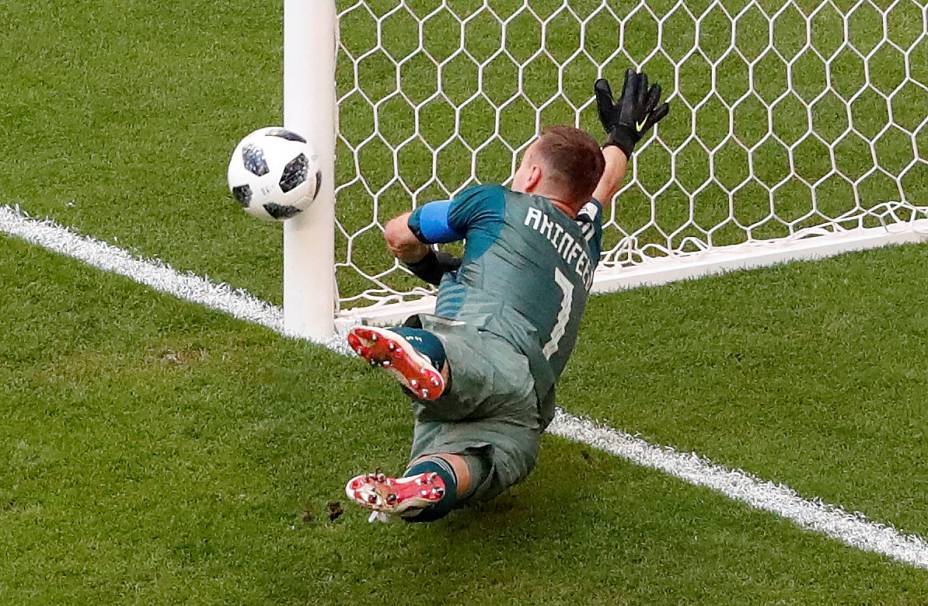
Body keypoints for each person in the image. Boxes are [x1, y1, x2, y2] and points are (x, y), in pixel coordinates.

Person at [345, 69, 669, 523]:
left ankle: (422, 355)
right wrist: (621, 138)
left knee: (457, 358)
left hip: (487, 349)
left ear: (532, 174)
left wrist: (431, 268)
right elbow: (603, 186)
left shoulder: (496, 203)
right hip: (528, 409)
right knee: (472, 459)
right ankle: (423, 485)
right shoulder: (587, 236)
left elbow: (398, 234)